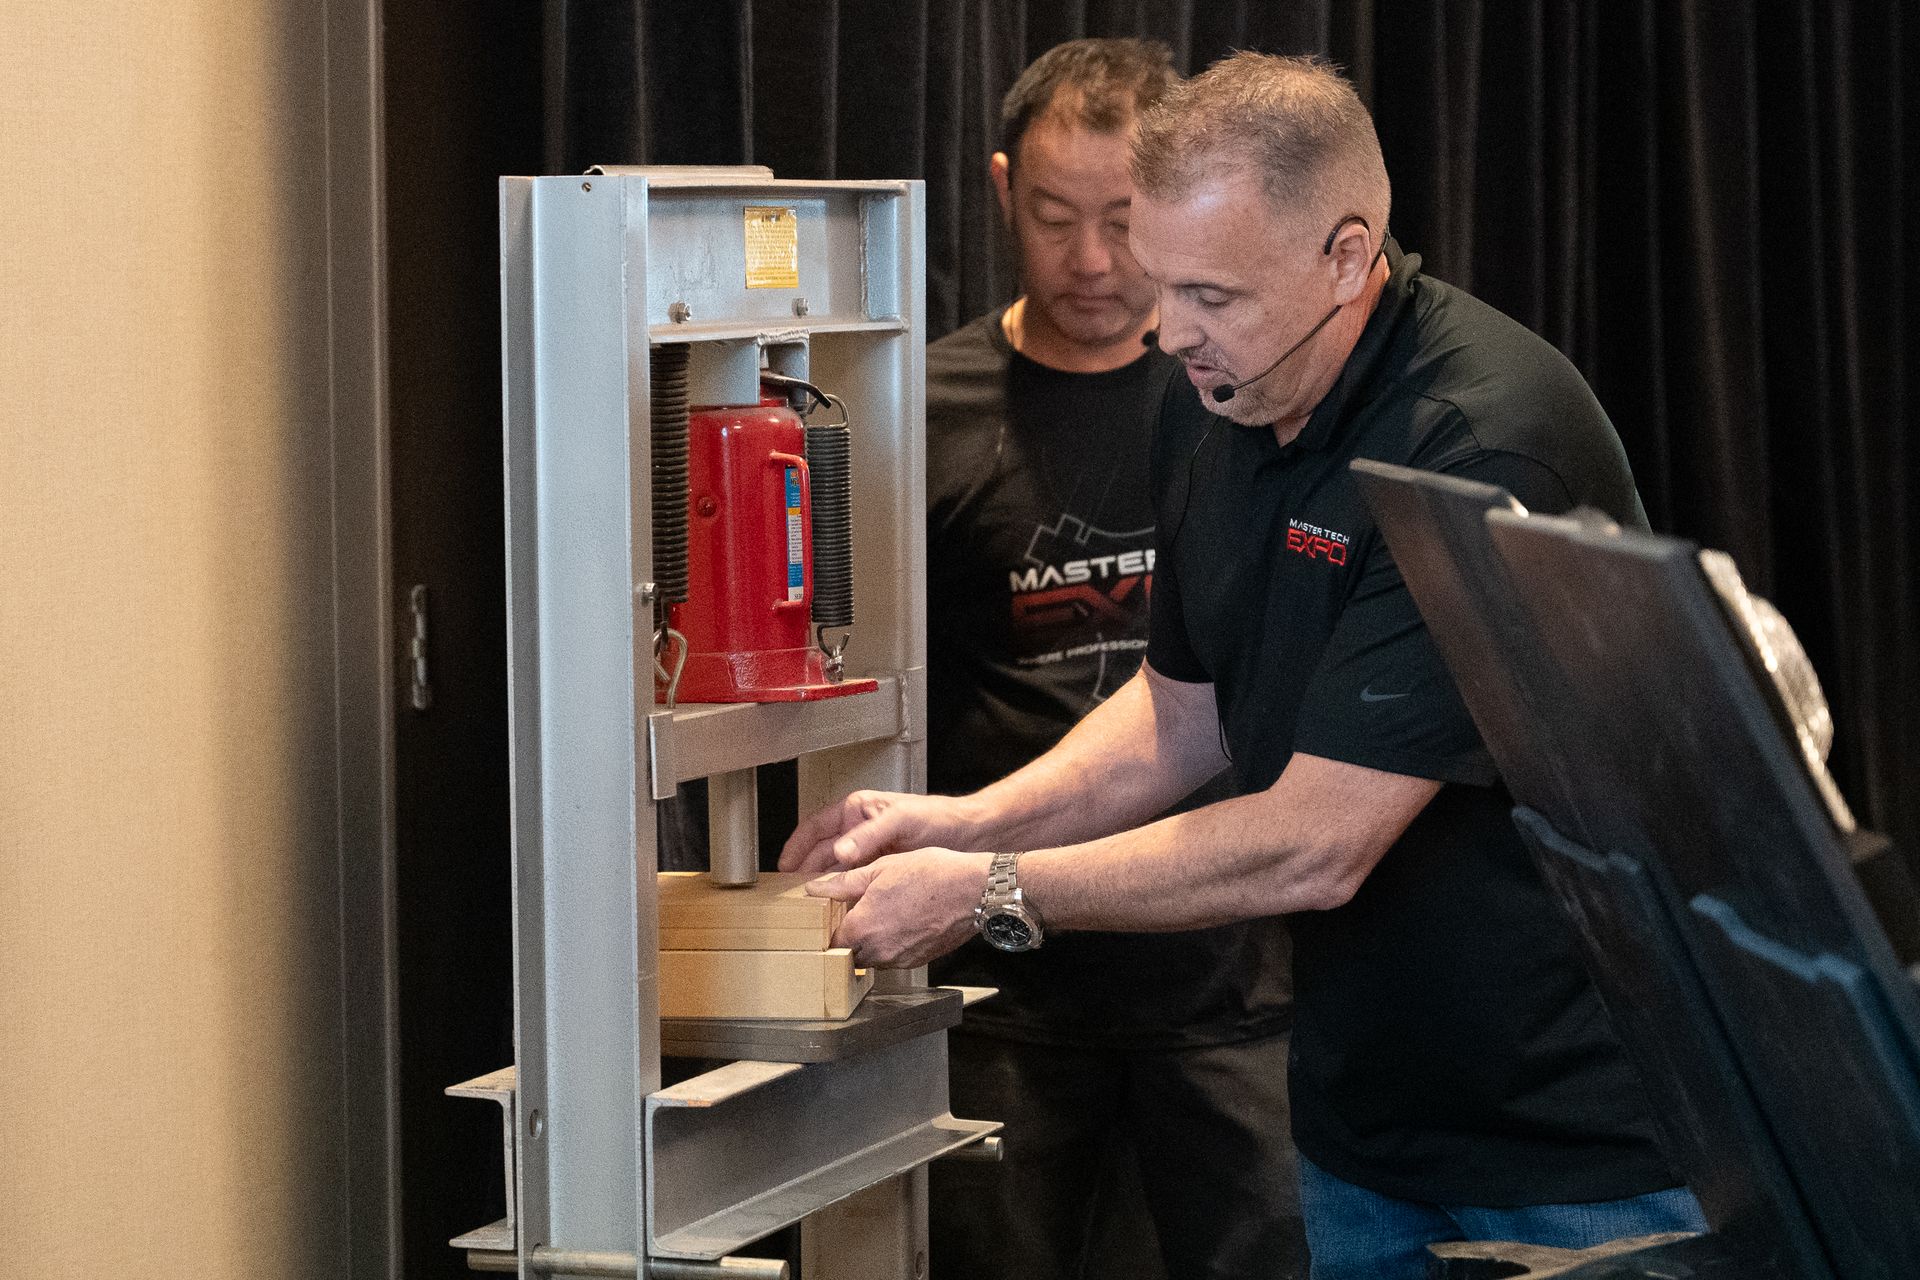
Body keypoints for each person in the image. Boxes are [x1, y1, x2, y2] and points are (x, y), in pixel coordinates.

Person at [783, 51, 1711, 1280]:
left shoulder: (1483, 443)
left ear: (1346, 254)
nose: (1171, 332)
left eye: (1213, 294)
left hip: (1578, 1140)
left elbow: (1315, 841)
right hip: (1363, 1119)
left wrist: (992, 886)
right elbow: (1183, 716)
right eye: (1171, 289)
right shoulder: (1215, 393)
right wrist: (963, 814)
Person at [920, 38, 1306, 1280]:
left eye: (1125, 222)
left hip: (1225, 984)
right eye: (1053, 217)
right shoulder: (920, 412)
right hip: (1003, 1000)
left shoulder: (1247, 402)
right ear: (999, 191)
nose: (1091, 263)